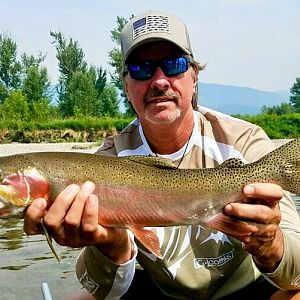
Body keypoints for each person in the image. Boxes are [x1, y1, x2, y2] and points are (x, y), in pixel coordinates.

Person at [24, 10, 300, 300]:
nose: (159, 81)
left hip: (248, 289)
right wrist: (113, 245)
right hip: (161, 293)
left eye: (173, 65)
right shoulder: (105, 162)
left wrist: (270, 245)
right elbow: (101, 289)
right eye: (142, 69)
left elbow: (296, 269)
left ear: (194, 77)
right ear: (126, 86)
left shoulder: (244, 142)